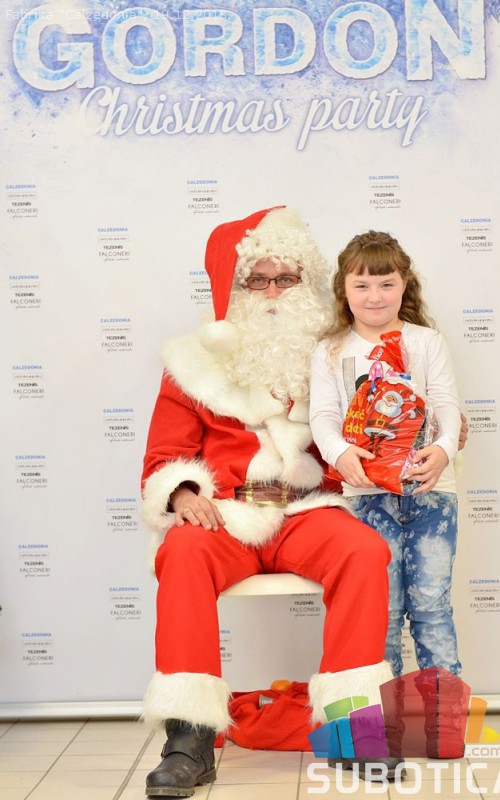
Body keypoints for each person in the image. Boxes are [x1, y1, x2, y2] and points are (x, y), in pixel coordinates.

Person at [140, 208, 402, 798]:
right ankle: (189, 737)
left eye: (286, 278)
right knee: (182, 552)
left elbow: (380, 428)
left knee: (363, 551)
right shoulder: (191, 364)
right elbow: (163, 457)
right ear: (234, 290)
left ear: (306, 282)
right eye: (258, 280)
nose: (274, 292)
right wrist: (183, 492)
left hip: (306, 510)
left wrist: (432, 434)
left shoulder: (339, 353)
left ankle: (351, 726)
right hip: (227, 515)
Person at [310, 230, 462, 684]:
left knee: (432, 605)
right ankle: (381, 715)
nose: (374, 296)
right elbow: (323, 416)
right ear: (343, 289)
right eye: (361, 285)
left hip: (432, 492)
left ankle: (443, 714)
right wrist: (340, 453)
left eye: (386, 284)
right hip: (366, 495)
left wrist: (442, 451)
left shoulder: (427, 342)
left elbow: (447, 405)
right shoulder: (330, 350)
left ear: (404, 285)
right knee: (382, 610)